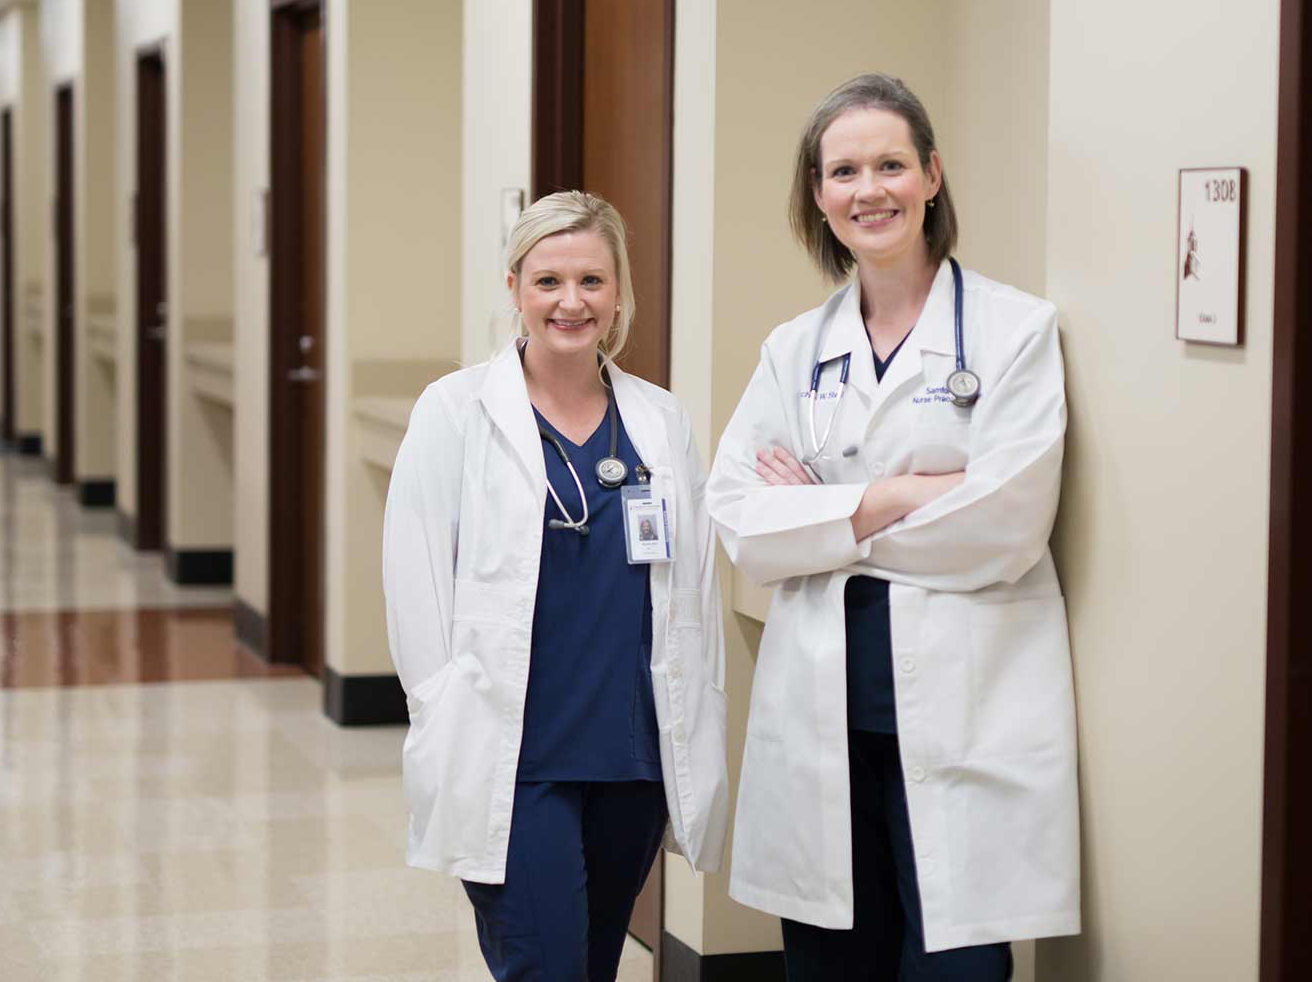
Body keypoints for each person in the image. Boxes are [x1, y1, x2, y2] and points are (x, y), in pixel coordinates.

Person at [705, 74, 1078, 979]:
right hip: (824, 712)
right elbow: (743, 521)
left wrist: (823, 516)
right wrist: (894, 496)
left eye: (889, 165)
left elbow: (1005, 523)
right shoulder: (794, 350)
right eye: (843, 171)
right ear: (818, 194)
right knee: (832, 962)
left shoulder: (1014, 332)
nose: (868, 190)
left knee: (956, 963)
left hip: (966, 708)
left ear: (932, 176)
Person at [384, 190, 729, 981]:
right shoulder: (456, 411)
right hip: (513, 751)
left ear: (618, 294)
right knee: (545, 968)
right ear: (514, 287)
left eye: (592, 282)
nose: (571, 302)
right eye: (548, 281)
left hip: (630, 756)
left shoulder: (658, 419)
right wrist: (441, 704)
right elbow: (415, 580)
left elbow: (694, 591)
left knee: (594, 966)